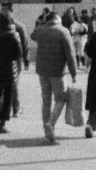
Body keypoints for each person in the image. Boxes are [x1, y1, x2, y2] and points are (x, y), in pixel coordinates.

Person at [31, 11, 78, 144]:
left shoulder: (41, 30)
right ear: (58, 19)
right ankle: (51, 124)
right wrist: (74, 73)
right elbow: (70, 55)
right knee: (61, 98)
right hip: (57, 72)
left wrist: (41, 23)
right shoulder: (63, 31)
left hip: (42, 71)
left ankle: (47, 131)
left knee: (46, 101)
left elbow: (32, 35)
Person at [0, 10, 23, 134]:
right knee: (8, 96)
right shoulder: (13, 34)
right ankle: (2, 124)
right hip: (9, 68)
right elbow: (18, 53)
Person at [0, 0, 29, 117]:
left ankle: (1, 108)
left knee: (1, 84)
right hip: (15, 58)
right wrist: (26, 59)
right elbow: (25, 44)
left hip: (0, 58)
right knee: (14, 83)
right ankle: (15, 109)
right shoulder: (19, 26)